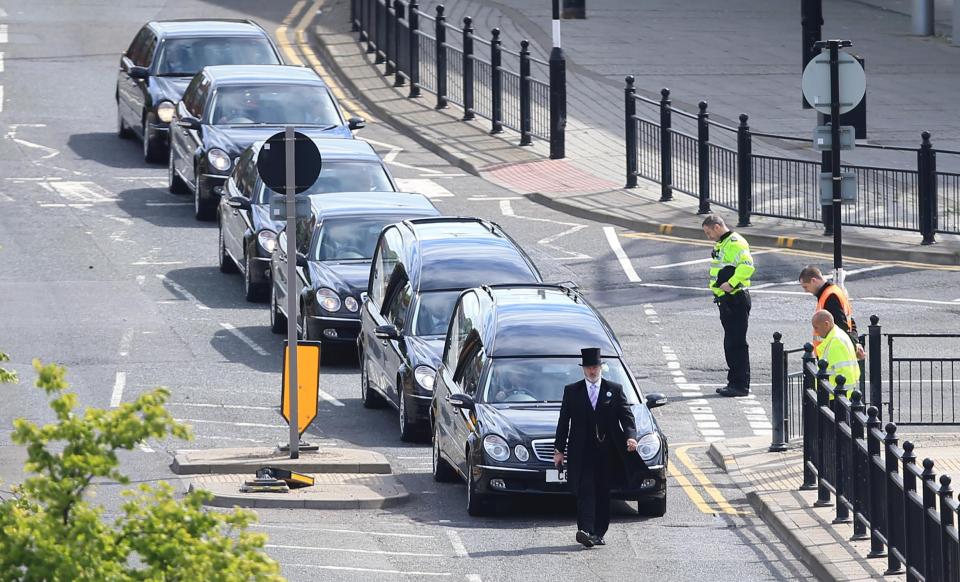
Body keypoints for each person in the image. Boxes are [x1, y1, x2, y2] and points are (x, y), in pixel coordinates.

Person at [553, 348, 638, 548]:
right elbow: (563, 422)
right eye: (589, 367)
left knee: (602, 492)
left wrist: (631, 437)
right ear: (583, 369)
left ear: (601, 368)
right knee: (585, 491)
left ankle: (599, 532)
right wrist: (559, 451)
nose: (592, 371)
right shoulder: (572, 391)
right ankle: (585, 530)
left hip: (607, 453)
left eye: (595, 367)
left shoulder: (614, 389)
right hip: (581, 453)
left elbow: (627, 417)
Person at [702, 214, 755, 397]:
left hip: (736, 299)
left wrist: (731, 284)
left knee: (737, 344)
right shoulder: (723, 244)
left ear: (717, 227)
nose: (709, 236)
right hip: (727, 300)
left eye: (709, 232)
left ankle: (740, 386)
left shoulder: (735, 242)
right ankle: (734, 382)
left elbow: (747, 266)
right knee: (731, 343)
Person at [798, 265, 864, 359]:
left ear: (813, 281)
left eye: (806, 286)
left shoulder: (829, 296)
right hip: (836, 353)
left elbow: (841, 326)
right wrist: (855, 344)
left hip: (833, 355)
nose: (805, 291)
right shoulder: (833, 291)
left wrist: (855, 347)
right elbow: (849, 320)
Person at [811, 310, 860, 398]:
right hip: (841, 394)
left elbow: (841, 371)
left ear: (826, 324)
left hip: (836, 395)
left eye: (816, 327)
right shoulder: (838, 335)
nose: (815, 331)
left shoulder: (835, 342)